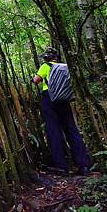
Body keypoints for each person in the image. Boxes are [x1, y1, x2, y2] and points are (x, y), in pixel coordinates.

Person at [33, 47, 91, 175]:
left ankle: (61, 166)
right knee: (72, 130)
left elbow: (36, 81)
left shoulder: (45, 66)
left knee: (54, 131)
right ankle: (83, 164)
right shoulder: (65, 67)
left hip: (50, 99)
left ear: (47, 57)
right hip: (64, 100)